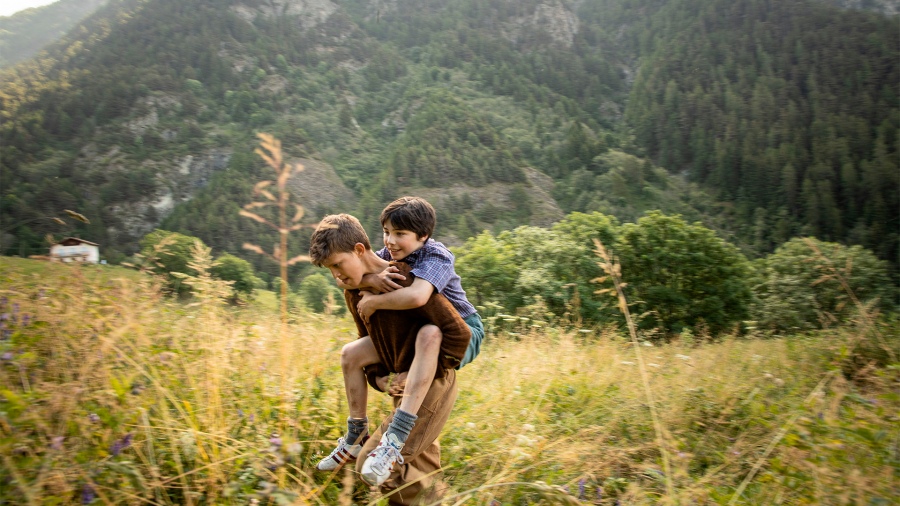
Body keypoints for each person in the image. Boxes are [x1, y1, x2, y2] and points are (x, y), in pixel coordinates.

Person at [309, 214, 472, 497]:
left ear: (359, 250)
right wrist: (379, 378)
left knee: (373, 466)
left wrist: (428, 370)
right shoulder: (354, 290)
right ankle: (356, 434)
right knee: (417, 474)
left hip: (432, 379)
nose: (336, 276)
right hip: (406, 386)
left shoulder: (406, 278)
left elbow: (458, 333)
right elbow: (368, 338)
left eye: (338, 264)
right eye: (330, 269)